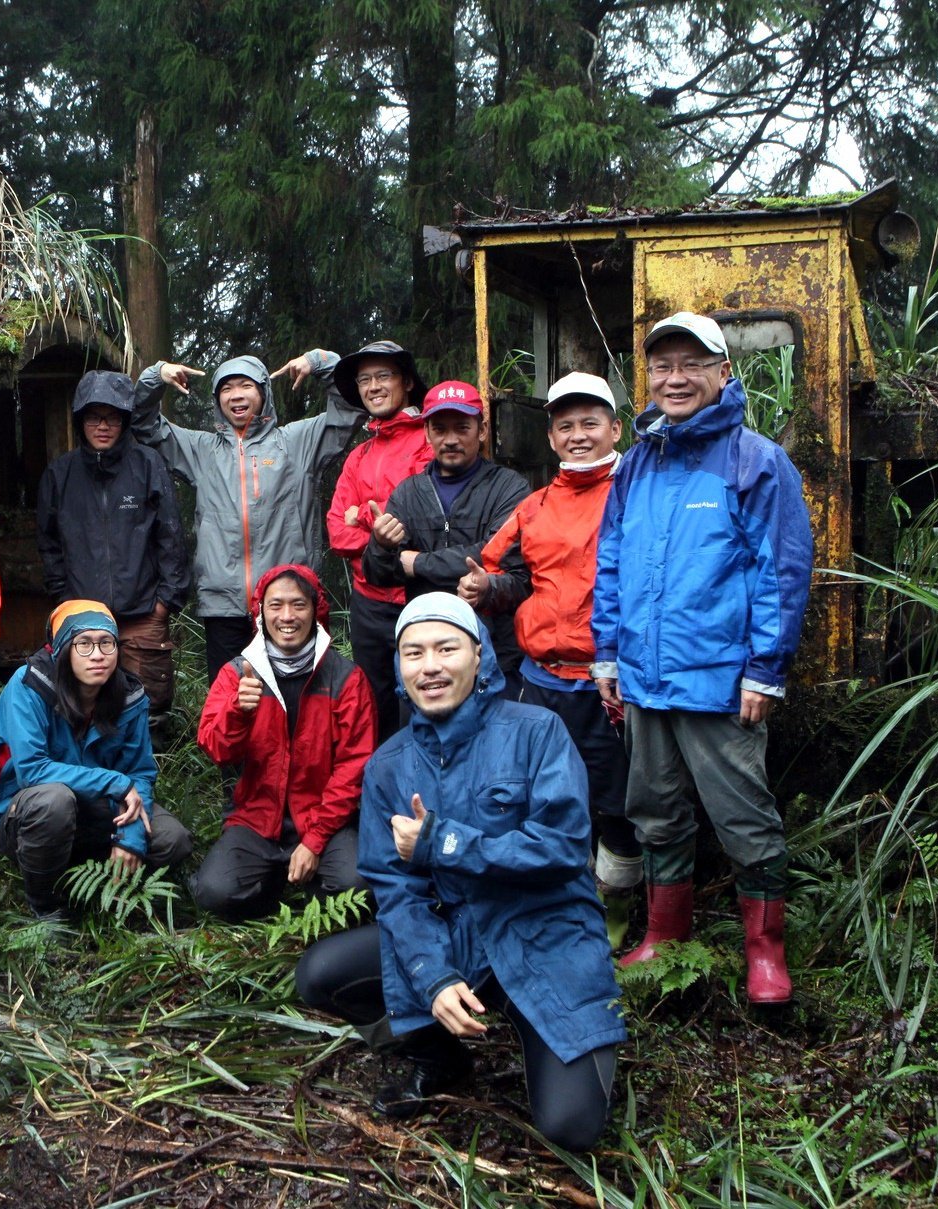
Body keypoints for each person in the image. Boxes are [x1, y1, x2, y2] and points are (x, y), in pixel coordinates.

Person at [293, 593, 623, 1151]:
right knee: (321, 973)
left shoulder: (536, 732)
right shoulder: (389, 766)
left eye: (446, 648)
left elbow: (564, 849)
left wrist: (443, 841)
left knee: (572, 1129)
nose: (430, 666)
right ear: (399, 667)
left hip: (545, 934)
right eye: (413, 652)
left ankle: (549, 1033)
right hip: (455, 936)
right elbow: (395, 890)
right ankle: (440, 1059)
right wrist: (435, 976)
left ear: (479, 655)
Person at [591, 312, 813, 1004]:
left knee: (743, 815)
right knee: (654, 810)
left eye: (692, 364)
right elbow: (614, 562)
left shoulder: (756, 461)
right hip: (645, 678)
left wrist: (765, 670)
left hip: (721, 680)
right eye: (662, 366)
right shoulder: (637, 464)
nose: (676, 378)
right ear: (648, 379)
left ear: (724, 373)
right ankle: (666, 937)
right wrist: (608, 657)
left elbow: (782, 571)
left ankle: (766, 954)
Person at [460, 372, 642, 947]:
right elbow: (512, 576)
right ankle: (548, 900)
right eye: (566, 426)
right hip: (541, 680)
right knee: (538, 795)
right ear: (551, 436)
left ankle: (613, 908)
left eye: (591, 423)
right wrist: (486, 589)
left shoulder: (639, 490)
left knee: (615, 803)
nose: (579, 435)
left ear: (616, 428)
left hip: (611, 683)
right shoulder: (535, 506)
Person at [131, 348, 363, 679]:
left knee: (292, 703)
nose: (236, 395)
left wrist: (319, 362)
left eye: (246, 385)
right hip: (223, 605)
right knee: (230, 704)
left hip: (286, 602)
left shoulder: (297, 442)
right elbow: (143, 424)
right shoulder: (202, 450)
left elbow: (350, 408)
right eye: (226, 388)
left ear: (263, 392)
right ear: (217, 400)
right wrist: (157, 375)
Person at [0, 601, 194, 917]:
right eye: (84, 643)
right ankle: (46, 906)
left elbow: (139, 771)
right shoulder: (29, 686)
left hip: (101, 812)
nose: (98, 655)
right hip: (28, 814)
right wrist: (114, 781)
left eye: (106, 643)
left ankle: (106, 892)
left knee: (172, 840)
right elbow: (32, 770)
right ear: (62, 649)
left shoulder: (129, 696)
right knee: (54, 802)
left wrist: (130, 838)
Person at [190, 564, 376, 920]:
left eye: (298, 605)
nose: (286, 616)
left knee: (360, 887)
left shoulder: (345, 678)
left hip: (325, 818)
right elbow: (215, 749)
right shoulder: (237, 673)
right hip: (256, 819)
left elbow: (355, 766)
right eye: (275, 605)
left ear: (316, 610)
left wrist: (315, 839)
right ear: (260, 611)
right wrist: (237, 712)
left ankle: (307, 885)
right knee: (215, 892)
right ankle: (278, 883)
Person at [36, 370, 191, 726]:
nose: (102, 426)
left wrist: (165, 603)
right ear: (81, 420)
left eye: (112, 417)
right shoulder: (61, 475)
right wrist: (63, 599)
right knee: (83, 709)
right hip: (82, 615)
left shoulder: (147, 465)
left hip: (143, 615)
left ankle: (149, 782)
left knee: (148, 712)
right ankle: (94, 781)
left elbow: (171, 536)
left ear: (125, 421)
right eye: (94, 416)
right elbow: (49, 544)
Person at [361, 380, 529, 683]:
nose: (450, 439)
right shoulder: (409, 493)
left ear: (482, 430)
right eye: (440, 429)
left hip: (494, 648)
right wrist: (381, 545)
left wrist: (417, 564)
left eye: (462, 428)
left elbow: (495, 555)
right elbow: (378, 574)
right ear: (426, 433)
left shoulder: (509, 487)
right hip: (426, 648)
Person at [325, 340, 431, 741]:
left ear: (405, 382)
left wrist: (365, 518)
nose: (373, 387)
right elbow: (337, 529)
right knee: (372, 706)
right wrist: (380, 526)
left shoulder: (428, 438)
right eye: (365, 379)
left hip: (418, 595)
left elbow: (422, 520)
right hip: (369, 603)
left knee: (422, 701)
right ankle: (378, 794)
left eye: (383, 376)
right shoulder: (360, 454)